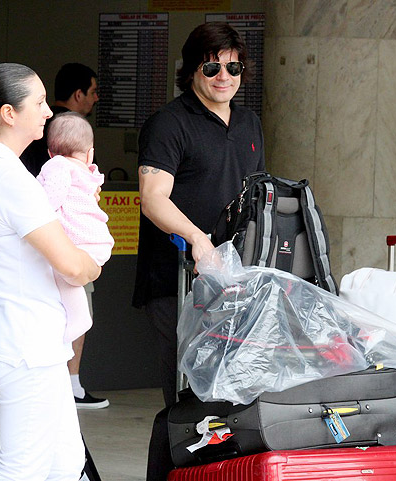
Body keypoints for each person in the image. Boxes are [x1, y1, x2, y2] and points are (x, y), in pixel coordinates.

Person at [0, 62, 101, 480]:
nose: (48, 112)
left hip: (24, 335)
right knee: (26, 468)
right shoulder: (8, 179)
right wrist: (94, 261)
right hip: (26, 342)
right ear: (8, 113)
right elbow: (73, 266)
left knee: (65, 461)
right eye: (38, 103)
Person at [133, 21, 265, 408]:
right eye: (211, 68)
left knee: (235, 395)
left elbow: (255, 196)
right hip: (178, 280)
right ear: (192, 70)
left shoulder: (249, 123)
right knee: (188, 395)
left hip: (236, 282)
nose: (223, 77)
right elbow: (153, 197)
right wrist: (197, 238)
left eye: (233, 68)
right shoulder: (169, 123)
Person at [21, 62, 107, 409]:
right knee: (73, 308)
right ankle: (69, 382)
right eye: (94, 91)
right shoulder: (70, 158)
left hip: (70, 248)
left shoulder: (50, 148)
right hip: (80, 248)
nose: (97, 98)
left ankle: (64, 379)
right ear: (78, 94)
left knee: (65, 308)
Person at [37, 111, 114, 345]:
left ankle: (78, 318)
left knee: (60, 274)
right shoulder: (87, 172)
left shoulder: (57, 166)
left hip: (78, 241)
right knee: (67, 279)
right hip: (96, 242)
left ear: (50, 153)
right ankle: (79, 317)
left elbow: (46, 204)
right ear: (90, 154)